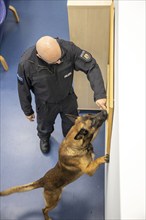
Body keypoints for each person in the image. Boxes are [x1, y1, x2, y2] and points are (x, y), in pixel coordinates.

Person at [17, 36, 107, 154]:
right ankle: (44, 138)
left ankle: (69, 140)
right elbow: (23, 88)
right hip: (45, 103)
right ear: (39, 56)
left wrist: (100, 94)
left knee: (71, 125)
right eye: (55, 61)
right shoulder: (26, 64)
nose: (59, 62)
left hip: (67, 97)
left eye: (60, 59)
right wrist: (27, 110)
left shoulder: (68, 49)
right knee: (44, 125)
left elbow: (91, 66)